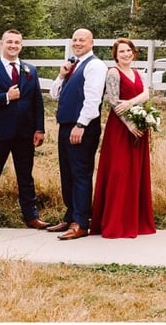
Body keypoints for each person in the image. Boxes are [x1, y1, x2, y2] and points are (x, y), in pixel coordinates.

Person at [0, 29, 49, 232]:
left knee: (26, 175)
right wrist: (5, 97)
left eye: (17, 42)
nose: (13, 45)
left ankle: (31, 216)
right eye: (9, 42)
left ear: (21, 45)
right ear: (2, 44)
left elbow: (37, 101)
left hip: (25, 133)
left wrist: (39, 129)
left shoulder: (30, 70)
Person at [90, 38, 156, 238]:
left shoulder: (137, 73)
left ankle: (134, 220)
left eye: (129, 51)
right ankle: (115, 222)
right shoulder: (113, 72)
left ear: (133, 53)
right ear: (116, 55)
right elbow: (113, 101)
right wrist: (129, 124)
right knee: (119, 172)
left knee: (135, 172)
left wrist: (131, 103)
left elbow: (146, 94)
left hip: (138, 128)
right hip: (120, 128)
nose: (126, 54)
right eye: (121, 52)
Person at [47, 28, 105, 240]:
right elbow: (54, 94)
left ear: (92, 43)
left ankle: (81, 222)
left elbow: (93, 99)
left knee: (80, 173)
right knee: (67, 173)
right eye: (75, 40)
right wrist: (61, 75)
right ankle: (70, 215)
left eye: (82, 40)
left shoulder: (95, 66)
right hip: (66, 125)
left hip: (82, 126)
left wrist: (81, 124)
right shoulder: (72, 65)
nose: (78, 43)